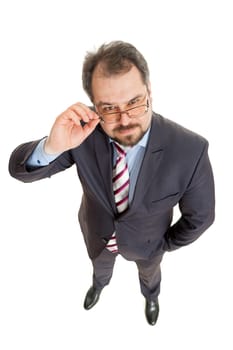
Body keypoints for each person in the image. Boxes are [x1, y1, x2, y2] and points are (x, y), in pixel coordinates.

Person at [8, 41, 215, 326]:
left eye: (134, 102)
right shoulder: (81, 135)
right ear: (93, 104)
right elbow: (20, 171)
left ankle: (151, 297)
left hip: (149, 245)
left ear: (149, 91)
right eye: (109, 108)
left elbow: (201, 217)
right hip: (97, 235)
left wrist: (163, 244)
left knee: (150, 275)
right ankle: (99, 286)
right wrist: (52, 147)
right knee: (99, 269)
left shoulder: (190, 150)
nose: (125, 119)